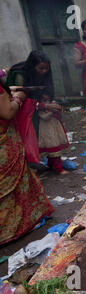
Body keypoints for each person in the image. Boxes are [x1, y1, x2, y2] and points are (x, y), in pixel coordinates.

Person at [0, 81, 54, 246]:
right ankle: (11, 229)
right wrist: (18, 98)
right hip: (4, 146)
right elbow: (7, 112)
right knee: (9, 185)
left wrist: (10, 90)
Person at [7, 51, 70, 174]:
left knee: (45, 132)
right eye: (41, 68)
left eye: (46, 68)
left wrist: (47, 102)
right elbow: (17, 98)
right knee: (26, 136)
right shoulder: (20, 75)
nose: (44, 71)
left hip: (35, 109)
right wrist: (42, 105)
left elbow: (44, 92)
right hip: (19, 110)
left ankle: (48, 161)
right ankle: (25, 168)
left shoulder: (44, 74)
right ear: (32, 66)